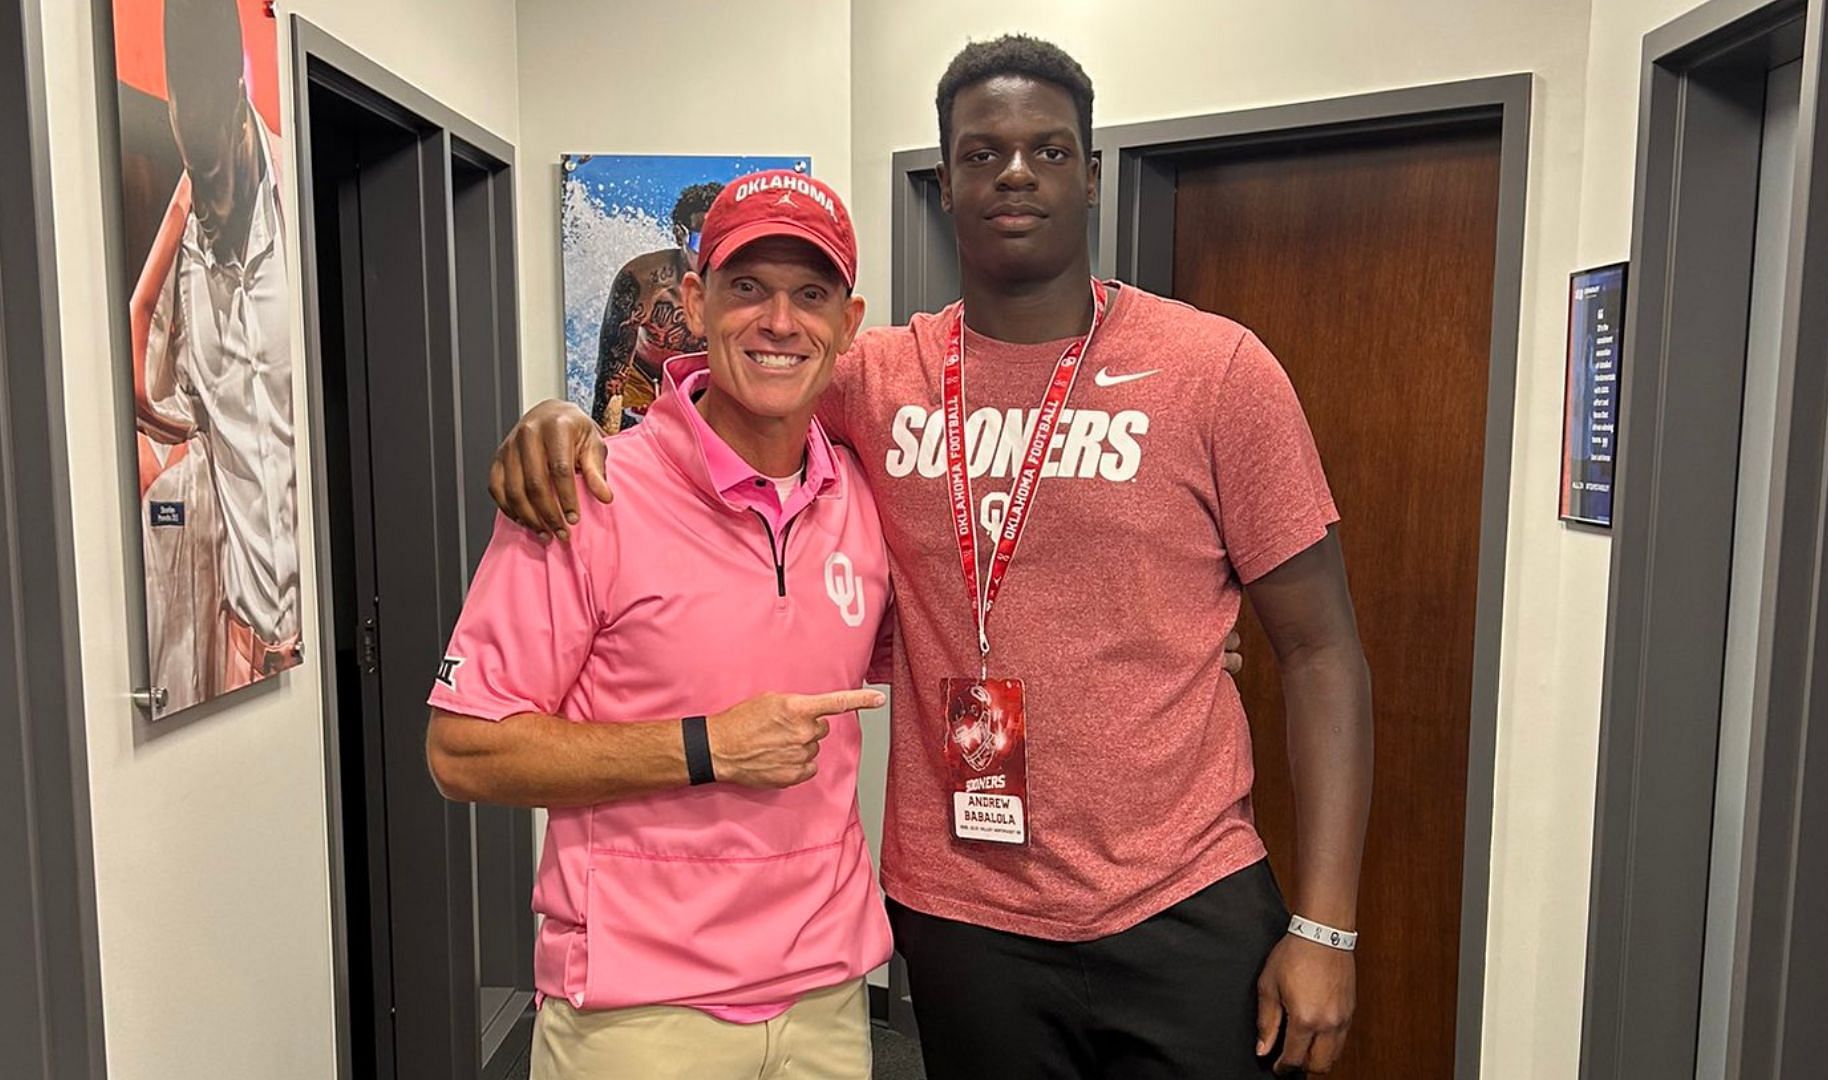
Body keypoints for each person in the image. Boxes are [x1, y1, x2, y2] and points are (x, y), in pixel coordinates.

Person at [493, 36, 1373, 1078]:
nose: (1014, 172)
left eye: (1048, 152)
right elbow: (717, 377)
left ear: (1092, 176)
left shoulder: (1216, 370)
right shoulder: (874, 375)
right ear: (946, 179)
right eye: (982, 152)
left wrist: (1326, 928)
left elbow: (1323, 655)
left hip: (1180, 898)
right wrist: (557, 419)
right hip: (961, 915)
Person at [428, 170, 893, 1079]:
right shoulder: (590, 494)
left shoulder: (862, 503)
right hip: (637, 1019)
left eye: (811, 294)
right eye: (747, 287)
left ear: (849, 320)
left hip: (827, 1002)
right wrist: (704, 747)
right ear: (693, 297)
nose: (778, 322)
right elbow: (462, 752)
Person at [131, 0, 301, 701]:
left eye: (216, 176)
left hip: (317, 640)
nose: (209, 204)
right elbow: (139, 385)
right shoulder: (183, 260)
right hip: (236, 655)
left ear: (239, 115)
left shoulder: (300, 214)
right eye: (192, 175)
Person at [589, 181, 725, 431]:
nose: (712, 254)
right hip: (641, 381)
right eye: (702, 241)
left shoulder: (740, 286)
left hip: (700, 384)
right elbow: (611, 380)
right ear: (679, 235)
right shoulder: (643, 281)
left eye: (722, 241)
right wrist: (603, 457)